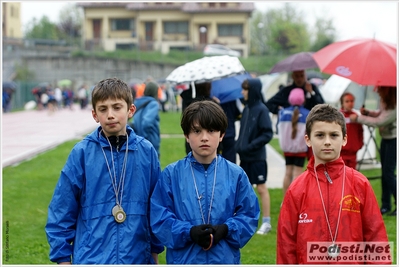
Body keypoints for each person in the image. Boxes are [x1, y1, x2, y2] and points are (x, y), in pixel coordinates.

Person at [45, 77, 164, 264]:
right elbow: (62, 209)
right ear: (94, 115)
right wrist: (63, 259)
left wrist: (154, 254)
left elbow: (157, 207)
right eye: (103, 109)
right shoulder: (82, 153)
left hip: (137, 258)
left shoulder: (146, 151)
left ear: (130, 110)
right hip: (92, 258)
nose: (110, 115)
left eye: (117, 107)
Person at [277, 104, 390, 264]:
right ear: (308, 140)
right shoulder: (296, 189)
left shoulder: (360, 184)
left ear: (344, 139)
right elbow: (286, 246)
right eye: (320, 135)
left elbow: (376, 238)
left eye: (334, 135)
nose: (327, 142)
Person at [150, 100, 260, 264]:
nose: (204, 138)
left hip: (224, 259)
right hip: (185, 260)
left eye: (211, 130)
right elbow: (159, 218)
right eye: (197, 131)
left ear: (222, 134)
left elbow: (249, 215)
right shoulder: (171, 175)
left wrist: (227, 229)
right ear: (187, 135)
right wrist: (188, 232)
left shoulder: (236, 174)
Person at [349, 86, 397, 216]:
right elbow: (379, 114)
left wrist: (359, 118)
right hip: (386, 139)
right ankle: (386, 205)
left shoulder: (395, 106)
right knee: (385, 173)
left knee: (388, 173)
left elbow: (380, 121)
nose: (378, 92)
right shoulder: (386, 102)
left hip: (393, 141)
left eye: (381, 90)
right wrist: (368, 113)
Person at [235, 78, 274, 235]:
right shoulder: (247, 109)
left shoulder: (261, 110)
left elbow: (267, 133)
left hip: (257, 158)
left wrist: (251, 146)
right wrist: (239, 145)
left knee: (261, 188)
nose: (243, 92)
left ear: (253, 91)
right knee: (246, 189)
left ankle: (266, 222)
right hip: (245, 158)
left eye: (245, 89)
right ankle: (247, 220)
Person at [277, 88, 310, 198]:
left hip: (287, 149)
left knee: (287, 173)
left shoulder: (282, 112)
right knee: (297, 174)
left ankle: (285, 200)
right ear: (303, 99)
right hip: (300, 150)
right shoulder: (307, 114)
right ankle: (295, 200)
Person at [132, 81, 161, 158]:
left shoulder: (138, 102)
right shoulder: (153, 104)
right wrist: (145, 138)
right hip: (150, 140)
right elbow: (147, 123)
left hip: (137, 140)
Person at [339, 92, 363, 169]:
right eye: (347, 101)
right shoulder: (338, 116)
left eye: (352, 101)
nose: (350, 103)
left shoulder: (356, 116)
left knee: (352, 174)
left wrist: (359, 144)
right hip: (341, 152)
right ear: (342, 103)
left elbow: (360, 131)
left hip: (353, 151)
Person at [218, 99, 243, 163]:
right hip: (230, 132)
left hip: (219, 133)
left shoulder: (215, 99)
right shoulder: (233, 99)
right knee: (230, 159)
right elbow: (239, 113)